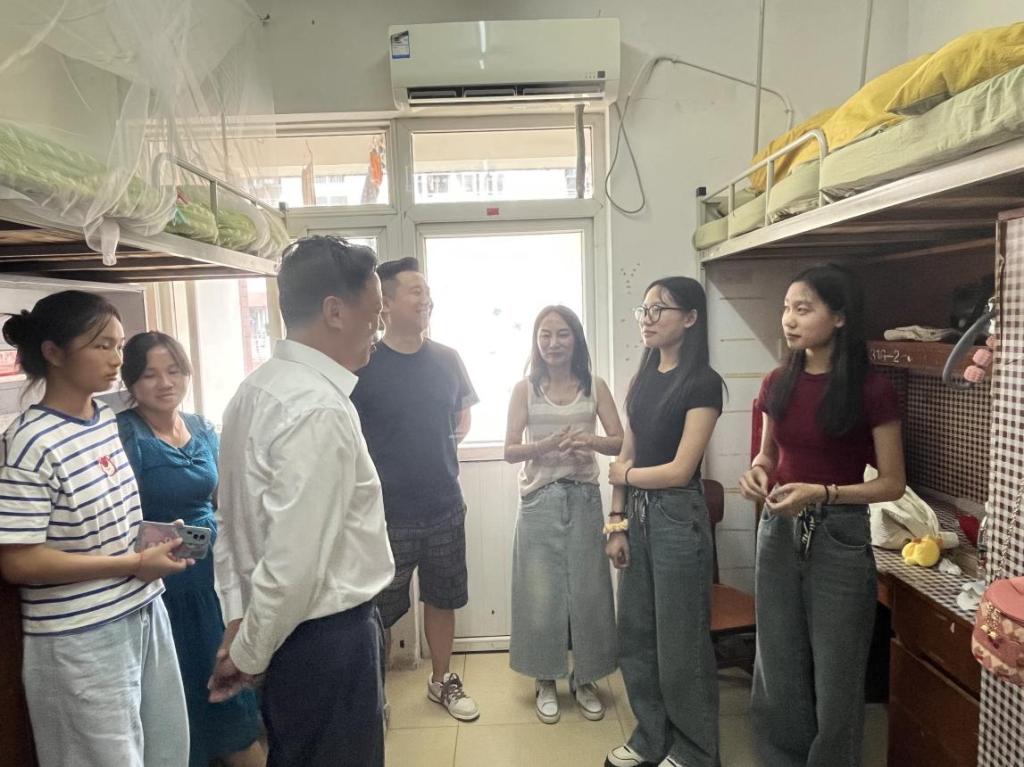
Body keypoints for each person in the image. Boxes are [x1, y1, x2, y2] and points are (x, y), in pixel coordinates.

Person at [208, 236, 395, 767]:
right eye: (374, 314)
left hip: (283, 631)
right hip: (325, 640)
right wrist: (247, 654)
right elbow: (295, 564)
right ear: (335, 311)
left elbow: (230, 524)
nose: (377, 329)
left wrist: (240, 624)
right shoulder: (317, 408)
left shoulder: (254, 389)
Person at [0, 290, 191, 766]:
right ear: (53, 352)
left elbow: (105, 519)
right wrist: (133, 563)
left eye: (119, 345)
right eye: (101, 345)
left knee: (166, 752)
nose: (116, 359)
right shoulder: (28, 442)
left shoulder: (103, 418)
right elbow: (19, 561)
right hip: (79, 635)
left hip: (142, 610)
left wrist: (152, 540)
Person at [738, 264, 904, 767]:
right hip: (779, 529)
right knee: (776, 659)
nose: (788, 319)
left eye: (803, 309)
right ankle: (782, 758)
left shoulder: (871, 389)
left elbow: (891, 483)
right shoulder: (777, 381)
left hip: (839, 535)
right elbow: (768, 455)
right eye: (786, 308)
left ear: (839, 317)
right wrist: (757, 473)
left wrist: (823, 494)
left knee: (838, 668)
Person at [117, 332, 264, 767]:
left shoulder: (201, 427)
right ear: (131, 382)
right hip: (163, 584)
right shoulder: (125, 434)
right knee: (182, 692)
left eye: (174, 371)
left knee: (229, 684)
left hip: (214, 577)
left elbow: (224, 498)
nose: (165, 383)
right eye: (150, 375)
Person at [350, 256, 480, 722]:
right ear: (385, 303)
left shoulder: (447, 358)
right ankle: (376, 695)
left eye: (427, 292)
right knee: (379, 609)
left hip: (445, 505)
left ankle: (442, 681)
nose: (426, 300)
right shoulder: (363, 363)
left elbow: (462, 417)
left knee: (443, 597)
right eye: (416, 291)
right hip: (386, 513)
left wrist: (436, 446)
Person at [604, 277, 724, 767]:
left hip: (677, 515)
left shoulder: (703, 383)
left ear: (690, 318)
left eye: (660, 309)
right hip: (636, 514)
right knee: (636, 636)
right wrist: (616, 522)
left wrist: (626, 476)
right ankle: (650, 738)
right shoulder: (642, 378)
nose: (647, 318)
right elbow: (626, 453)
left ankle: (696, 752)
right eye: (644, 309)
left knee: (681, 644)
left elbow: (680, 469)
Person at [503, 305, 622, 724]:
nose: (553, 343)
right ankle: (545, 680)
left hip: (584, 499)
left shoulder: (595, 386)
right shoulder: (524, 389)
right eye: (545, 335)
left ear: (576, 339)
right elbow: (509, 450)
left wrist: (588, 441)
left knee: (589, 593)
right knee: (540, 596)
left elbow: (619, 441)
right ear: (536, 341)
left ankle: (585, 679)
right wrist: (546, 445)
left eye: (562, 334)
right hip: (539, 501)